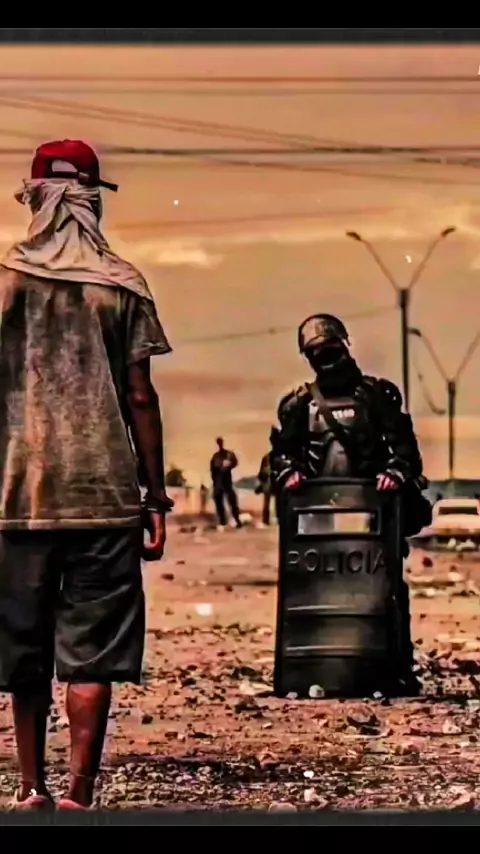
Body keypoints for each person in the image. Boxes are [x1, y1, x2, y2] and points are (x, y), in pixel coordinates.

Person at [0, 140, 173, 810]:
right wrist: (154, 497)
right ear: (93, 201)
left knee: (23, 649)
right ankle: (78, 792)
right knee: (92, 652)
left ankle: (29, 788)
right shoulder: (122, 285)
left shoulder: (4, 283)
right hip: (105, 499)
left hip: (16, 498)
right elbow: (140, 398)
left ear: (35, 198)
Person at [270, 313, 431, 689]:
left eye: (331, 351)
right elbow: (281, 455)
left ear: (344, 346)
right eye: (317, 354)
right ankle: (316, 669)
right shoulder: (298, 405)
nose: (326, 360)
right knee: (316, 593)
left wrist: (394, 473)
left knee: (384, 594)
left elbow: (406, 452)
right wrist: (290, 473)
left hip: (372, 521)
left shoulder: (377, 396)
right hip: (319, 523)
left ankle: (392, 667)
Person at [210, 437, 241, 530]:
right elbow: (212, 470)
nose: (219, 445)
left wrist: (229, 464)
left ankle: (237, 520)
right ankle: (222, 521)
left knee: (232, 501)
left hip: (227, 481)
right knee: (218, 501)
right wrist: (215, 482)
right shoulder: (215, 456)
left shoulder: (228, 454)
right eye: (218, 443)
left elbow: (235, 462)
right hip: (218, 482)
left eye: (220, 443)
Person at [255, 450, 275, 527]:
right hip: (270, 483)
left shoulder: (267, 457)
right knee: (268, 503)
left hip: (270, 483)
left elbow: (261, 472)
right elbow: (261, 472)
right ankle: (266, 520)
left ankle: (266, 521)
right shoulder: (268, 457)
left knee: (267, 503)